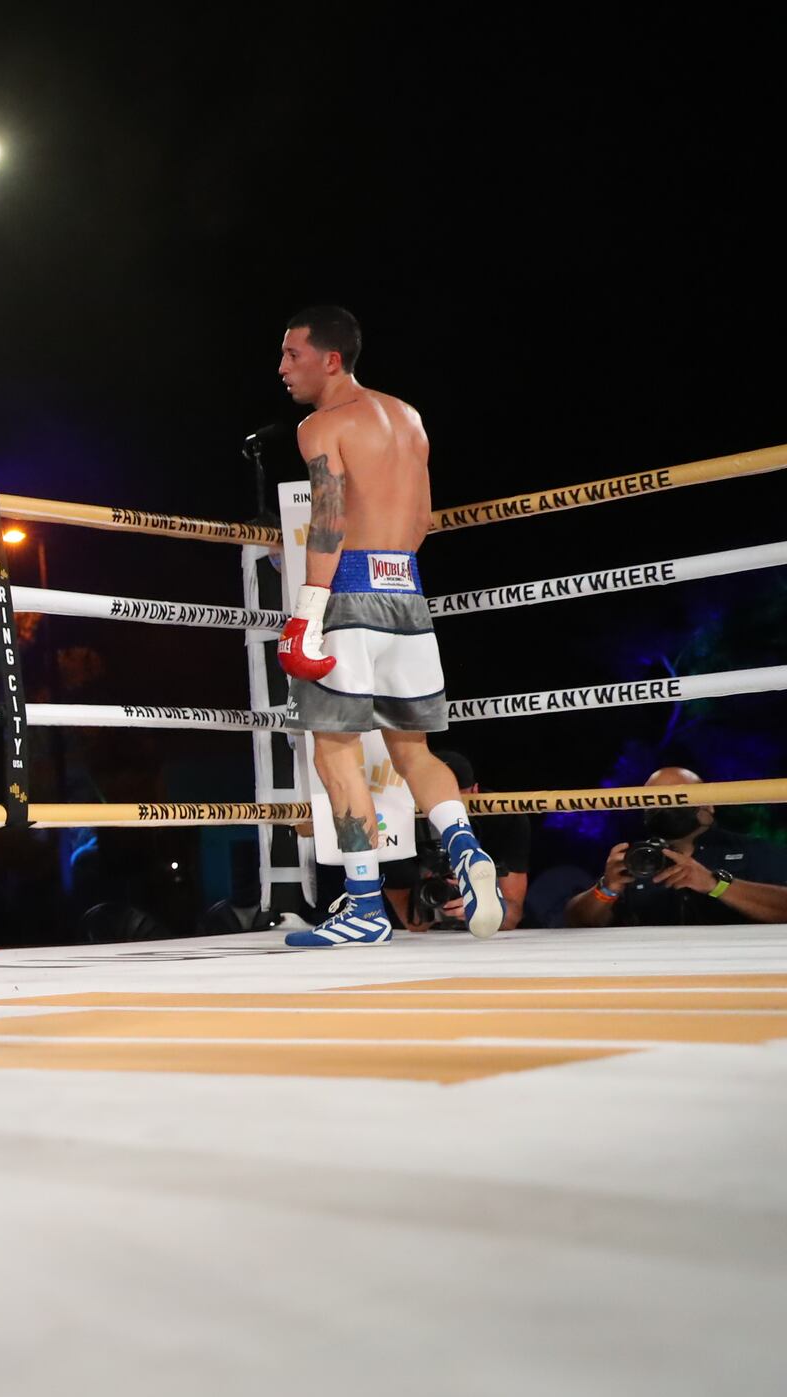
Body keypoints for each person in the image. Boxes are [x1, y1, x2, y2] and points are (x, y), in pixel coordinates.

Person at [273, 304, 500, 948]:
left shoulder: (323, 425)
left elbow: (328, 519)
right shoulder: (408, 418)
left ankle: (366, 905)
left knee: (335, 748)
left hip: (345, 593)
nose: (283, 367)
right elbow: (422, 518)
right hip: (406, 589)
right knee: (413, 751)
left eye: (293, 355)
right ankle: (465, 848)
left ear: (331, 359)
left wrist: (308, 612)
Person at [563, 767, 787, 927]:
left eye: (677, 797)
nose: (665, 806)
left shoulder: (752, 850)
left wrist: (714, 884)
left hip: (738, 970)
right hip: (657, 976)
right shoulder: (635, 859)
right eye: (654, 800)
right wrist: (607, 888)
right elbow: (577, 921)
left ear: (708, 804)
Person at [382, 749, 529, 932]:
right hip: (425, 937)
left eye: (456, 802)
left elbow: (513, 916)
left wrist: (486, 906)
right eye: (433, 805)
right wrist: (432, 893)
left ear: (475, 792)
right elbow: (414, 923)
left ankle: (479, 880)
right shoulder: (397, 824)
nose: (445, 817)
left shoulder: (503, 817)